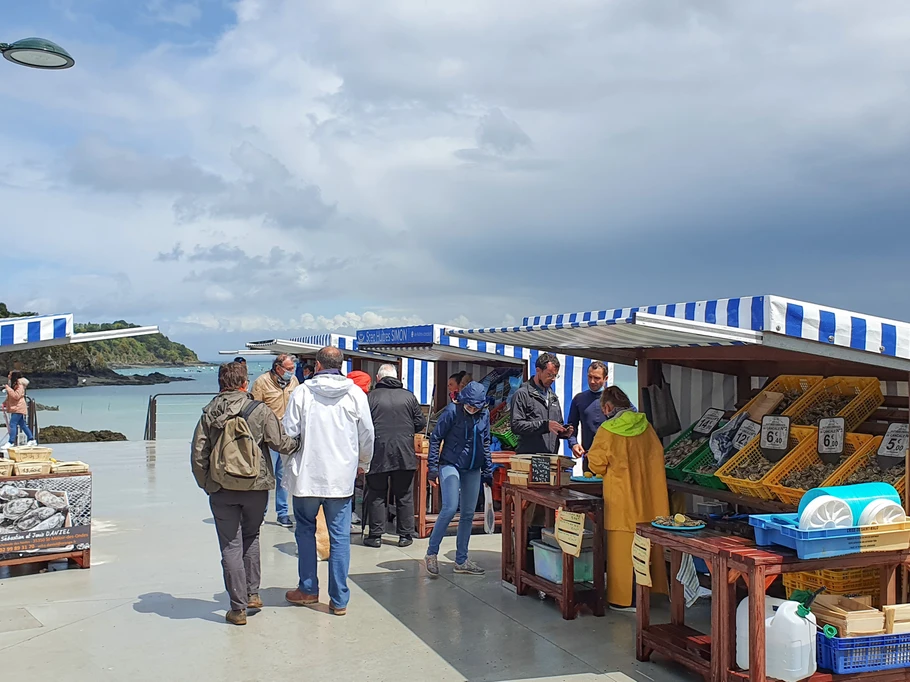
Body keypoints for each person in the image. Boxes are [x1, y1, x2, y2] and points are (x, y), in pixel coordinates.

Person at [191, 361, 298, 626]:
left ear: (220, 383)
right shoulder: (259, 410)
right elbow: (279, 443)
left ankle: (237, 608)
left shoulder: (209, 412)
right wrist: (300, 442)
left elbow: (198, 454)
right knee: (251, 536)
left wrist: (208, 484)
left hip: (222, 488)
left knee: (230, 545)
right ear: (244, 383)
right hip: (255, 487)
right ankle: (252, 594)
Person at [282, 346, 374, 616]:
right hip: (340, 477)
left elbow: (289, 432)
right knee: (339, 537)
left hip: (307, 475)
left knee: (305, 532)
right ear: (341, 364)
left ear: (318, 366)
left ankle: (308, 589)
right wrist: (363, 463)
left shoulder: (302, 392)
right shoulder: (355, 394)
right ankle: (339, 599)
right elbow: (367, 434)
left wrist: (290, 466)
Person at [586, 386, 670, 611]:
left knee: (621, 552)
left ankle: (622, 598)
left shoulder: (608, 430)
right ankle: (649, 592)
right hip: (650, 501)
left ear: (608, 407)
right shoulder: (646, 426)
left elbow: (596, 463)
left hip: (621, 501)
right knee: (647, 546)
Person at [425, 381, 492, 577]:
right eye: (468, 405)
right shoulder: (452, 411)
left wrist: (488, 470)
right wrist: (432, 468)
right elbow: (435, 438)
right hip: (450, 463)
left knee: (468, 513)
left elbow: (485, 441)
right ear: (462, 400)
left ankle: (461, 560)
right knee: (450, 506)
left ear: (482, 405)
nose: (471, 409)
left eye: (475, 406)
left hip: (473, 467)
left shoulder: (484, 415)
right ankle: (431, 553)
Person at [363, 364, 426, 548]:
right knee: (404, 494)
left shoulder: (370, 397)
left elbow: (363, 426)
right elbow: (420, 422)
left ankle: (375, 535)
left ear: (378, 378)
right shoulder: (409, 396)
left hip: (377, 452)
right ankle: (405, 535)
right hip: (404, 452)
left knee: (376, 494)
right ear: (397, 377)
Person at [251, 354, 299, 528]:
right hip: (267, 436)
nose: (292, 372)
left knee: (284, 475)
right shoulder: (261, 382)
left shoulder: (294, 382)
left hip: (287, 435)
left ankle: (283, 513)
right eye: (289, 369)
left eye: (293, 368)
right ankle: (260, 513)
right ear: (278, 368)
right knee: (265, 475)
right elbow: (253, 410)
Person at [510, 353, 573, 454]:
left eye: (555, 376)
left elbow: (557, 424)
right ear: (538, 370)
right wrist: (544, 426)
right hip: (530, 458)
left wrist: (563, 432)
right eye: (549, 375)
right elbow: (516, 425)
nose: (552, 379)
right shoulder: (522, 394)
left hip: (550, 458)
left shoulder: (553, 397)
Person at [566, 361, 610, 472]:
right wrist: (573, 444)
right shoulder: (579, 399)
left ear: (606, 378)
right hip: (589, 459)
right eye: (589, 377)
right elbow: (571, 426)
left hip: (611, 459)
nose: (592, 381)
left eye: (597, 378)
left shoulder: (614, 400)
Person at [1, 372, 36, 449]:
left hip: (18, 408)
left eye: (10, 375)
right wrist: (5, 403)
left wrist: (8, 389)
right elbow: (11, 396)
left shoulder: (20, 385)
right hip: (16, 407)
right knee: (22, 425)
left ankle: (11, 442)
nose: (8, 376)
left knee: (12, 424)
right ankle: (31, 439)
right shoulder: (14, 384)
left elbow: (16, 396)